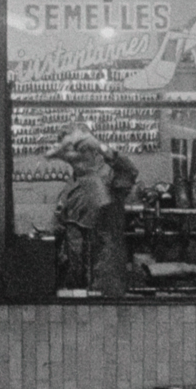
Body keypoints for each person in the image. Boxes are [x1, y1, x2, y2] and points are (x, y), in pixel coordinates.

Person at [45, 123, 139, 298]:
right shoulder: (71, 184)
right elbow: (59, 225)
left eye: (79, 146)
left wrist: (103, 148)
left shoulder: (110, 175)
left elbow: (130, 171)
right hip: (75, 278)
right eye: (69, 148)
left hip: (104, 275)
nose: (75, 153)